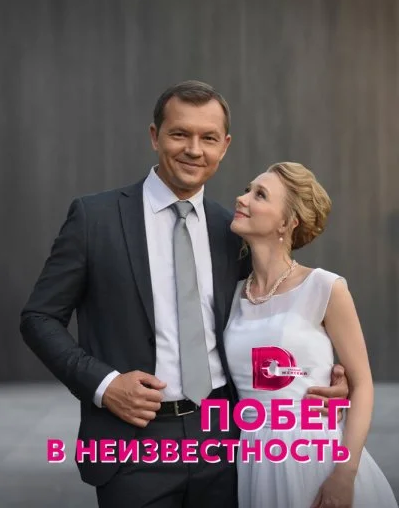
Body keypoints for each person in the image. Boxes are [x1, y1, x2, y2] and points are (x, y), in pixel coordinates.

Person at [20, 82, 348, 508]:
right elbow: (39, 318)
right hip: (132, 443)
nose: (194, 149)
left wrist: (325, 373)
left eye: (208, 138)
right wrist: (104, 384)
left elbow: (272, 311)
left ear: (224, 146)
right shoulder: (94, 218)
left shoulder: (233, 231)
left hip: (225, 440)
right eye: (179, 134)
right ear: (154, 136)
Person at [225, 161, 398, 508]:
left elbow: (362, 384)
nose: (242, 199)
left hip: (315, 457)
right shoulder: (233, 293)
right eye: (247, 190)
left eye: (260, 195)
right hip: (254, 458)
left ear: (287, 222)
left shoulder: (325, 287)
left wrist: (344, 474)